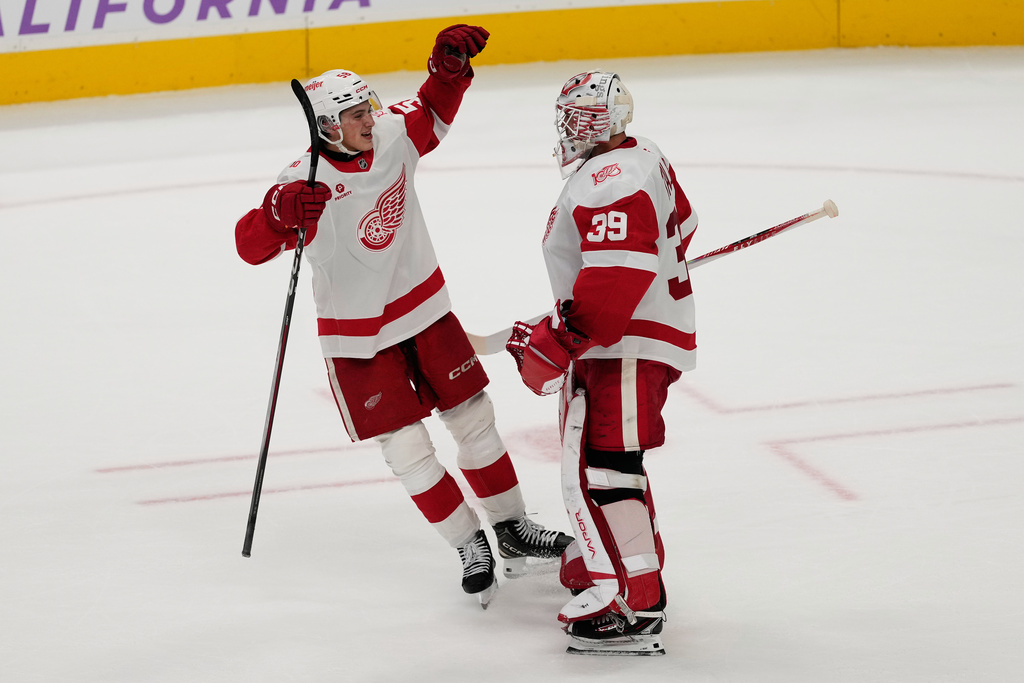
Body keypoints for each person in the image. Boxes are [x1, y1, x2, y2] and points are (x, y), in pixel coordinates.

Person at [235, 25, 571, 608]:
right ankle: (469, 542)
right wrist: (276, 213)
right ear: (325, 127)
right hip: (358, 339)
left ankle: (513, 529)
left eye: (366, 104)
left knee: (475, 420)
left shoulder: (391, 135)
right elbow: (248, 245)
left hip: (426, 310)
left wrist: (448, 68)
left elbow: (433, 111)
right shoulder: (302, 181)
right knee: (407, 450)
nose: (368, 117)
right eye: (352, 112)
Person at [506, 71, 697, 654]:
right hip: (624, 337)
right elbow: (683, 227)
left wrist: (559, 338)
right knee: (610, 465)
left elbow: (613, 283)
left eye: (580, 117)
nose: (569, 129)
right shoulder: (642, 155)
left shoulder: (608, 179)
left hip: (623, 345)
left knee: (609, 470)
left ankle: (637, 603)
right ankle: (629, 565)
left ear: (606, 120)